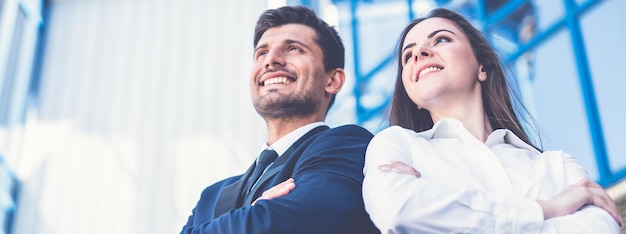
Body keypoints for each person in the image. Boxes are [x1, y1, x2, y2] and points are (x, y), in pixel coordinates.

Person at [362, 8, 622, 233]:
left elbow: (599, 227)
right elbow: (398, 210)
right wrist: (547, 209)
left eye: (441, 39)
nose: (419, 53)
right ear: (413, 96)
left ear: (482, 67)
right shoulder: (396, 144)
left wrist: (441, 212)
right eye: (408, 56)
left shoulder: (558, 165)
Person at [181, 5, 379, 234]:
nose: (271, 60)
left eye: (294, 48)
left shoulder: (349, 146)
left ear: (333, 80)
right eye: (261, 53)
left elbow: (296, 221)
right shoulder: (211, 196)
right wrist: (255, 213)